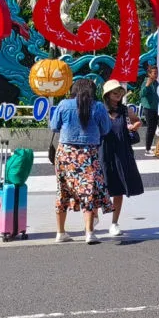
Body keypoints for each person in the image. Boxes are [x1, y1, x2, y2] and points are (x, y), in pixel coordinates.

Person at [49, 78, 114, 244]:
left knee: (63, 190)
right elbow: (106, 129)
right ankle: (89, 232)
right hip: (88, 153)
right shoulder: (98, 107)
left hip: (65, 153)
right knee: (88, 191)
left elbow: (54, 126)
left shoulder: (64, 104)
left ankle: (60, 232)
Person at [99, 80, 144, 238]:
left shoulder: (125, 110)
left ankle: (114, 223)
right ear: (107, 95)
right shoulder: (100, 110)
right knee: (99, 187)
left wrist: (134, 126)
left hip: (121, 152)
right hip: (103, 152)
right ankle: (93, 217)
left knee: (118, 189)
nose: (118, 95)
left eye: (119, 92)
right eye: (114, 92)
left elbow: (138, 121)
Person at [138, 65, 159, 155]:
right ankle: (147, 149)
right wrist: (147, 85)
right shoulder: (146, 82)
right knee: (150, 128)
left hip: (156, 108)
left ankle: (150, 147)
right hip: (148, 109)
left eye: (157, 73)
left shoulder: (156, 83)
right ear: (149, 73)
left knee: (154, 128)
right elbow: (141, 94)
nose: (156, 75)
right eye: (154, 73)